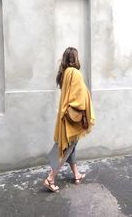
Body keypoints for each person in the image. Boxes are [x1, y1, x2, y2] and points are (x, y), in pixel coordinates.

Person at [44, 47, 95, 192]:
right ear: (75, 58)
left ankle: (77, 174)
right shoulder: (75, 73)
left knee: (70, 146)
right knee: (66, 148)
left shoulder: (65, 73)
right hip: (73, 119)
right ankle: (50, 178)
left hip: (65, 116)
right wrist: (85, 110)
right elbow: (78, 98)